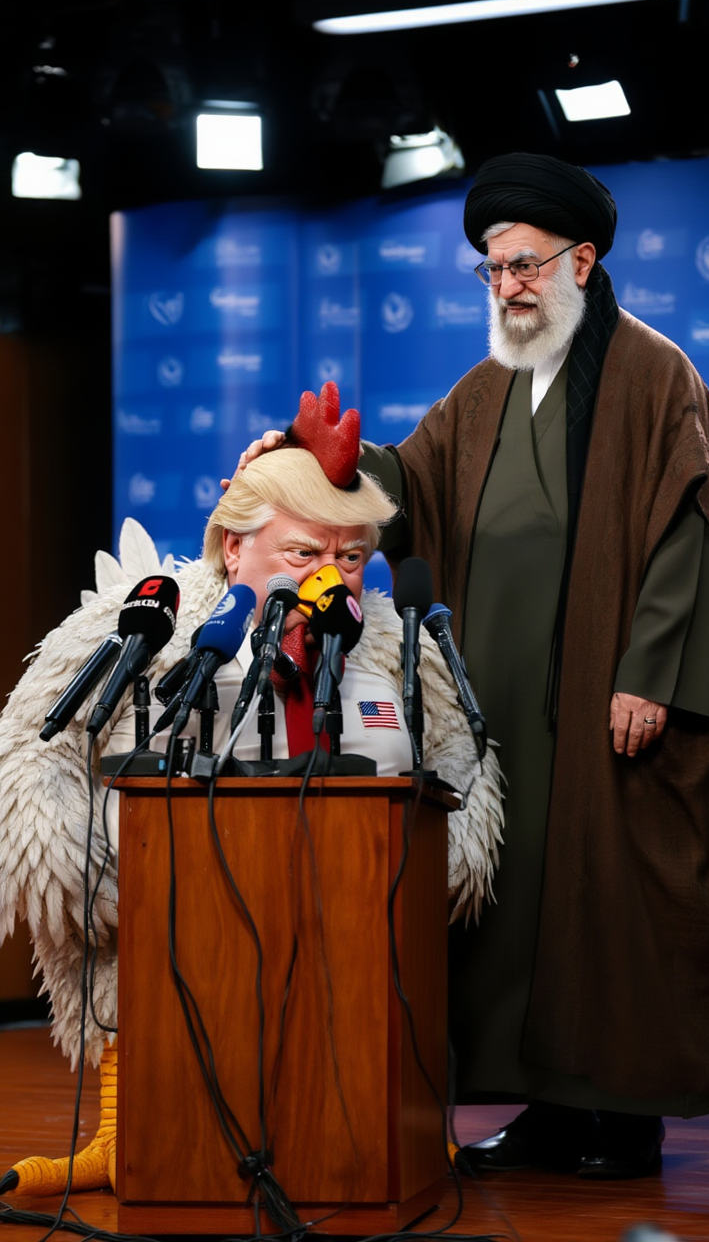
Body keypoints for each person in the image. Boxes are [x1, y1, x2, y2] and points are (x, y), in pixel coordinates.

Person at [238, 154, 709, 1180]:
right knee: (514, 906)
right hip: (503, 698)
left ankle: (626, 1117)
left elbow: (686, 534)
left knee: (610, 901)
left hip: (607, 690)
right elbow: (413, 483)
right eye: (493, 268)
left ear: (582, 261)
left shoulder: (656, 374)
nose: (509, 286)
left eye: (524, 264)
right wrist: (330, 463)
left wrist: (651, 673)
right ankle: (551, 1111)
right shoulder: (486, 389)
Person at [0, 386, 503, 1197]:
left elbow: (460, 767)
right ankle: (123, 1128)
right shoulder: (148, 627)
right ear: (234, 550)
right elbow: (33, 747)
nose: (330, 579)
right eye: (302, 553)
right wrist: (97, 871)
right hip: (169, 924)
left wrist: (427, 861)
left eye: (350, 558)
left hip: (339, 923)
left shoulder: (395, 647)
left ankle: (389, 1124)